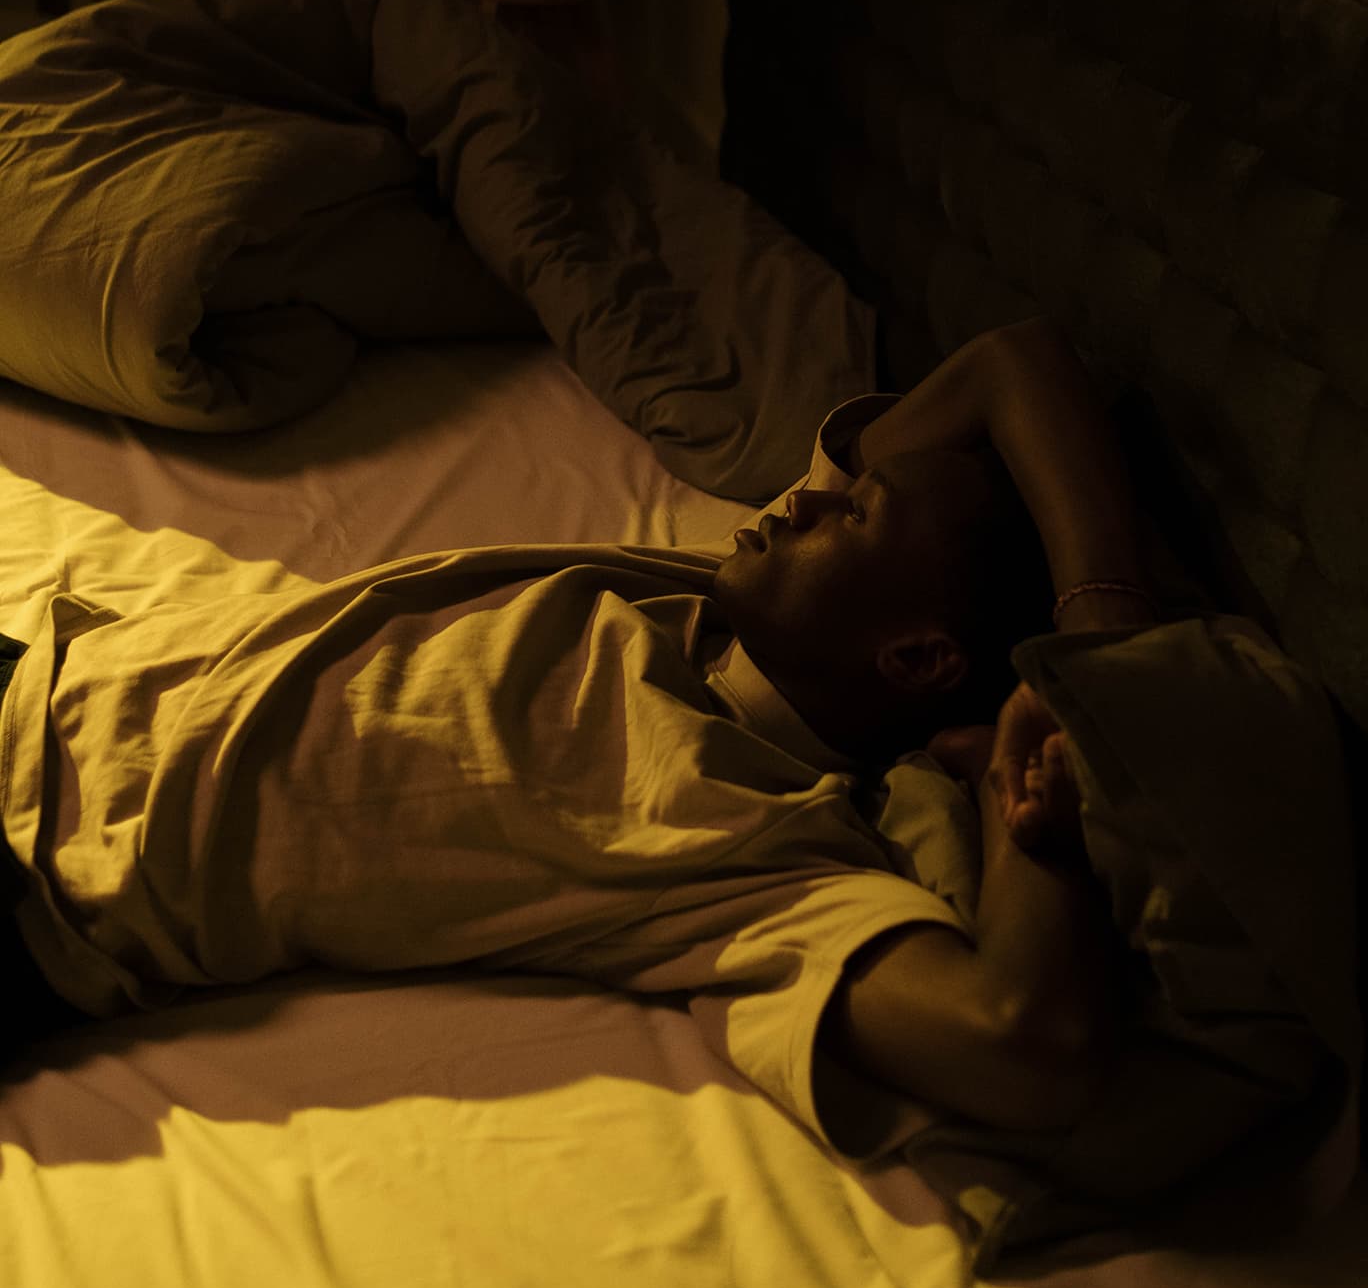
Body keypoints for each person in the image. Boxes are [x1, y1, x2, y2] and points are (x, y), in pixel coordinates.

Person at [0, 316, 1146, 1150]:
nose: (802, 498)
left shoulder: (745, 840)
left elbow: (1023, 1048)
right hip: (43, 675)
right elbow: (1016, 360)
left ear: (915, 658)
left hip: (33, 869)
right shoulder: (700, 599)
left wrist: (1050, 750)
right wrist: (1099, 626)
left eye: (852, 514)